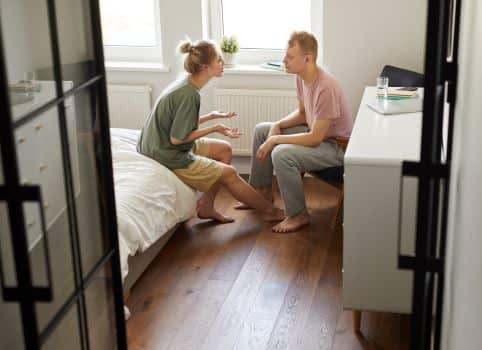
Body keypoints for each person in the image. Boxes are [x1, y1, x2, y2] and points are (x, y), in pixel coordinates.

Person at [138, 39, 284, 223]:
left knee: (224, 149)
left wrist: (211, 116)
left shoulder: (185, 82)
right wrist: (213, 128)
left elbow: (179, 124)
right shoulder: (189, 95)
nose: (222, 64)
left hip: (156, 143)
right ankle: (270, 211)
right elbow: (177, 139)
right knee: (229, 173)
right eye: (219, 60)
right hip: (166, 152)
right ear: (206, 67)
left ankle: (206, 206)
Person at [239, 31, 353, 233]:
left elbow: (316, 138)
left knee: (281, 154)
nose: (284, 60)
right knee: (262, 130)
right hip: (318, 135)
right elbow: (302, 113)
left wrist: (275, 140)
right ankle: (262, 193)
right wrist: (278, 125)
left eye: (290, 57)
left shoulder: (326, 87)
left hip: (337, 146)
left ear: (307, 58)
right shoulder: (301, 77)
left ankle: (298, 214)